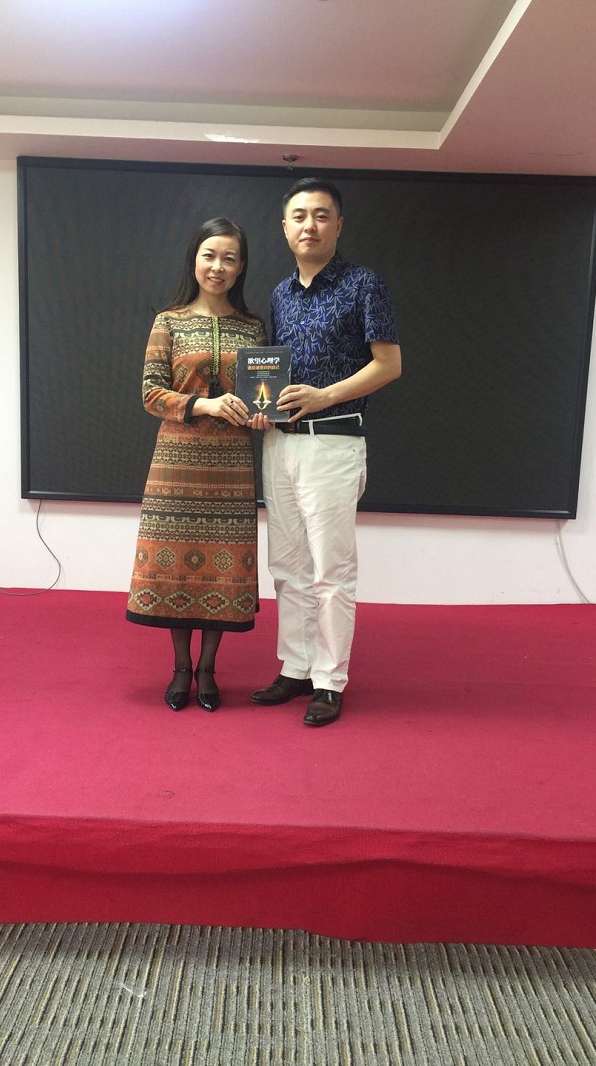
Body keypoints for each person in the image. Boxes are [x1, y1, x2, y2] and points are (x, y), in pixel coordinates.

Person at [250, 178, 401, 726]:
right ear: (284, 227)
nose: (308, 225)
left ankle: (329, 680)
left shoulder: (364, 284)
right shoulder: (280, 294)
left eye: (320, 215)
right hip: (280, 444)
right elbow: (273, 375)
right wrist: (264, 406)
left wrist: (324, 396)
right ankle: (295, 667)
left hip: (334, 442)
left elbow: (389, 365)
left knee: (330, 572)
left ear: (338, 224)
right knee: (287, 566)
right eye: (298, 216)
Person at [127, 217, 267, 711]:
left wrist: (262, 414)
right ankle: (181, 668)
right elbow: (150, 394)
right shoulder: (167, 321)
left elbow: (261, 396)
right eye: (210, 255)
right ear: (194, 260)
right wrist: (204, 404)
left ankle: (208, 669)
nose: (218, 266)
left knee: (222, 568)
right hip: (176, 462)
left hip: (232, 465)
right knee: (177, 569)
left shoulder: (252, 327)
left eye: (229, 258)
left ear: (241, 267)